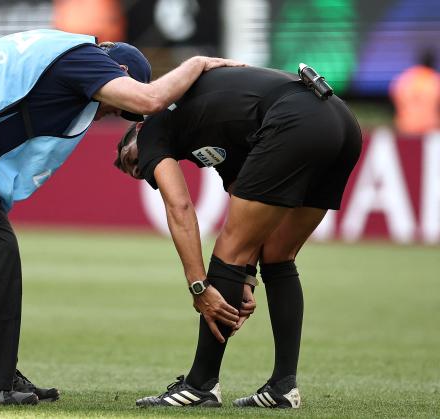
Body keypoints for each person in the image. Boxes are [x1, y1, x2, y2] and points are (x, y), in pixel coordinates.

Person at [0, 28, 244, 405]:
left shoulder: (60, 55)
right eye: (110, 106)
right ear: (118, 70)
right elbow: (150, 98)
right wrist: (199, 62)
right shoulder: (84, 59)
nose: (103, 113)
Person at [114, 65, 362, 409]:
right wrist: (245, 275)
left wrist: (199, 285)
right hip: (340, 120)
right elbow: (248, 215)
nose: (140, 170)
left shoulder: (153, 123)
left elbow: (181, 208)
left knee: (227, 247)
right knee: (277, 254)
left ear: (137, 129)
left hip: (295, 119)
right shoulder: (210, 134)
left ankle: (200, 386)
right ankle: (282, 387)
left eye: (132, 159)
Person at [389, 49, 440, 136]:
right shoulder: (435, 80)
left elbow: (393, 94)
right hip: (430, 128)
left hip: (405, 127)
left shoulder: (405, 78)